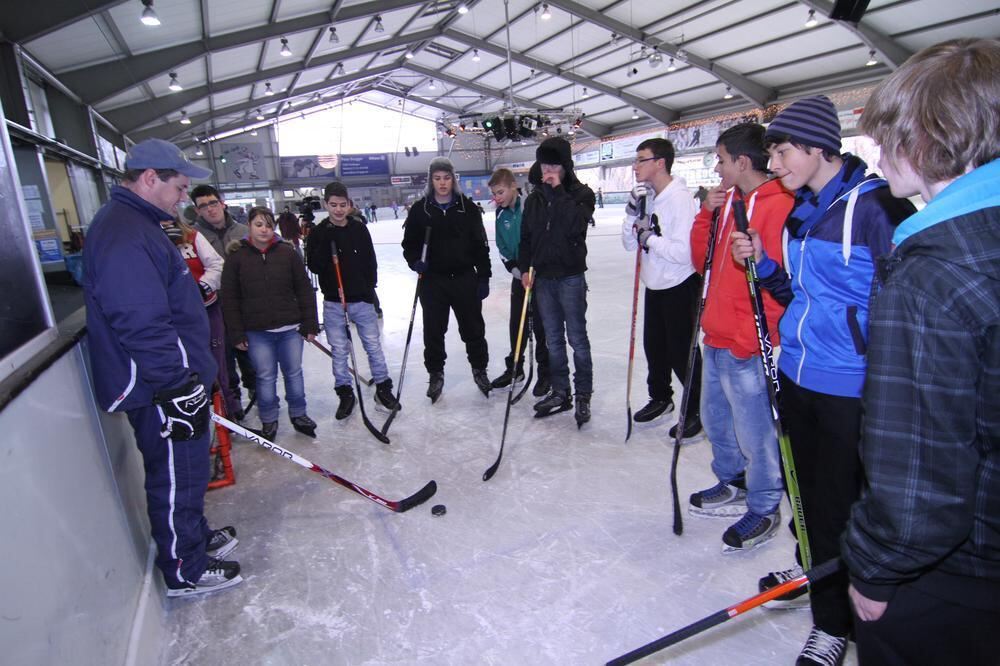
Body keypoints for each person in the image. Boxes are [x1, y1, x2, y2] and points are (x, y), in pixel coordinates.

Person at [731, 95, 916, 665]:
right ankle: (815, 561)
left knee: (840, 501)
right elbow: (799, 297)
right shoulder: (799, 212)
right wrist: (762, 266)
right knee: (804, 491)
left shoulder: (877, 209)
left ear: (818, 149)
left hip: (849, 387)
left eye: (783, 152)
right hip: (796, 373)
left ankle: (834, 623)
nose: (776, 164)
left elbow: (898, 307)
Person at [840, 38, 1000, 666]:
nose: (877, 155)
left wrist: (877, 568)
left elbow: (919, 468)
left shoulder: (932, 273)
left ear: (933, 136)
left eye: (888, 136)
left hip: (952, 574)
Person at [82, 138, 241, 597]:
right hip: (156, 387)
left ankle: (191, 535)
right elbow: (140, 320)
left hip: (171, 381)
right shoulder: (124, 233)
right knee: (174, 470)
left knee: (190, 466)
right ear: (150, 178)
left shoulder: (142, 223)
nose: (184, 198)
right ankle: (184, 567)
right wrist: (175, 385)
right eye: (180, 187)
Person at [686, 123, 793, 556]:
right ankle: (732, 481)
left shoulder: (779, 204)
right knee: (716, 421)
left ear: (742, 163)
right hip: (716, 334)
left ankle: (765, 504)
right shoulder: (729, 200)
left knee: (756, 431)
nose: (717, 166)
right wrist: (706, 214)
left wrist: (753, 335)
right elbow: (701, 262)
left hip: (745, 341)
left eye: (722, 159)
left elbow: (780, 282)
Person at [621, 138, 702, 438]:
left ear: (660, 163)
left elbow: (684, 252)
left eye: (641, 159)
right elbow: (629, 243)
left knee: (682, 351)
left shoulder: (679, 199)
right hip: (655, 283)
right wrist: (632, 214)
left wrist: (649, 239)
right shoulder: (648, 196)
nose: (635, 166)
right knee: (654, 347)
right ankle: (660, 396)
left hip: (679, 283)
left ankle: (695, 409)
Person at [221, 207, 319, 441]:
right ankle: (269, 419)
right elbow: (230, 298)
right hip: (257, 332)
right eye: (259, 225)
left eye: (268, 225)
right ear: (249, 226)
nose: (264, 230)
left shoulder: (287, 253)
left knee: (294, 374)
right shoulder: (237, 257)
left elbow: (304, 289)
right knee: (265, 376)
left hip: (290, 329)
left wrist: (310, 323)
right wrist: (236, 333)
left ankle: (299, 414)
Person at [519, 137, 596, 426]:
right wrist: (526, 268)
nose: (548, 170)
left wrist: (559, 192)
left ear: (565, 166)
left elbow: (575, 225)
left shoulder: (581, 194)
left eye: (554, 164)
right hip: (543, 279)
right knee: (552, 340)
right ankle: (561, 390)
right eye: (544, 164)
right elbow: (526, 237)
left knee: (577, 338)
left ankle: (583, 394)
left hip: (571, 277)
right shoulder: (535, 198)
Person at [401, 157, 492, 402]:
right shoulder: (421, 210)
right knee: (434, 331)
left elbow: (480, 247)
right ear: (431, 180)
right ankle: (435, 373)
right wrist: (415, 262)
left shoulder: (467, 208)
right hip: (433, 281)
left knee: (473, 329)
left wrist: (483, 277)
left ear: (454, 179)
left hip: (464, 278)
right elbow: (409, 245)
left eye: (447, 177)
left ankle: (479, 369)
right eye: (437, 178)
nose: (442, 183)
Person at [307, 182, 399, 420]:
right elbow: (314, 266)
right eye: (333, 205)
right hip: (334, 302)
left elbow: (370, 260)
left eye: (343, 205)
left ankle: (383, 389)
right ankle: (345, 393)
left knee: (373, 346)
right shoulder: (319, 232)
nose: (338, 210)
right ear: (326, 204)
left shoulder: (358, 229)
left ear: (349, 204)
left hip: (361, 299)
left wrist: (370, 289)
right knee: (339, 350)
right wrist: (325, 244)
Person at [160, 217, 241, 419]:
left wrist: (202, 287)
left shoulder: (193, 237)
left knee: (216, 363)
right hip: (171, 318)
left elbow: (217, 265)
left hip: (205, 310)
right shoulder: (147, 242)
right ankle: (193, 416)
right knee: (184, 367)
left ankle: (229, 411)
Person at [190, 184, 255, 415]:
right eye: (203, 206)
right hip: (214, 308)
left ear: (222, 203)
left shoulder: (243, 231)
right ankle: (232, 404)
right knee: (224, 360)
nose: (210, 209)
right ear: (197, 211)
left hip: (246, 306)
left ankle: (256, 392)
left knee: (250, 357)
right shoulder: (193, 237)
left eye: (213, 203)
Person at [488, 168, 550, 397]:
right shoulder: (500, 215)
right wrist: (518, 272)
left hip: (540, 278)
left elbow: (541, 240)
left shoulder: (530, 207)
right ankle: (515, 368)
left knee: (542, 328)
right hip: (520, 278)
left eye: (501, 192)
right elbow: (503, 248)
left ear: (514, 186)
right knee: (518, 324)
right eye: (494, 194)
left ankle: (545, 373)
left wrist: (534, 270)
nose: (497, 198)